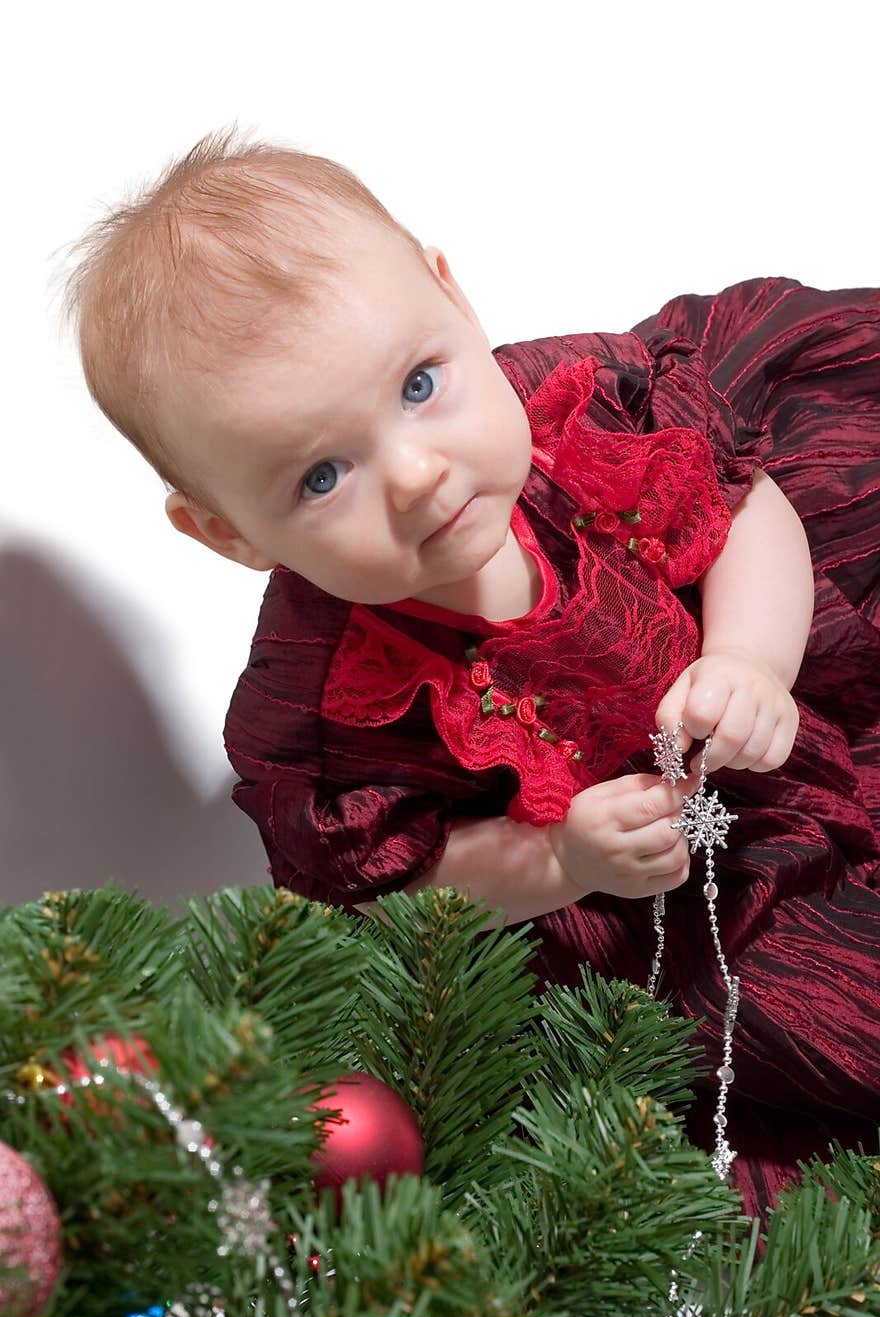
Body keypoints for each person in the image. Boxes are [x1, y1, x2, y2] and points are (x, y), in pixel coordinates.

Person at [65, 131, 880, 1219]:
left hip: (785, 716)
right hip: (666, 903)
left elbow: (743, 503)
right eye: (320, 474)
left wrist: (748, 658)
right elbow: (395, 886)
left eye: (417, 383)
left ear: (453, 296)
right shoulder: (318, 701)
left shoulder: (582, 407)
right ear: (225, 531)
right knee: (812, 1026)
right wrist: (558, 859)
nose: (414, 474)